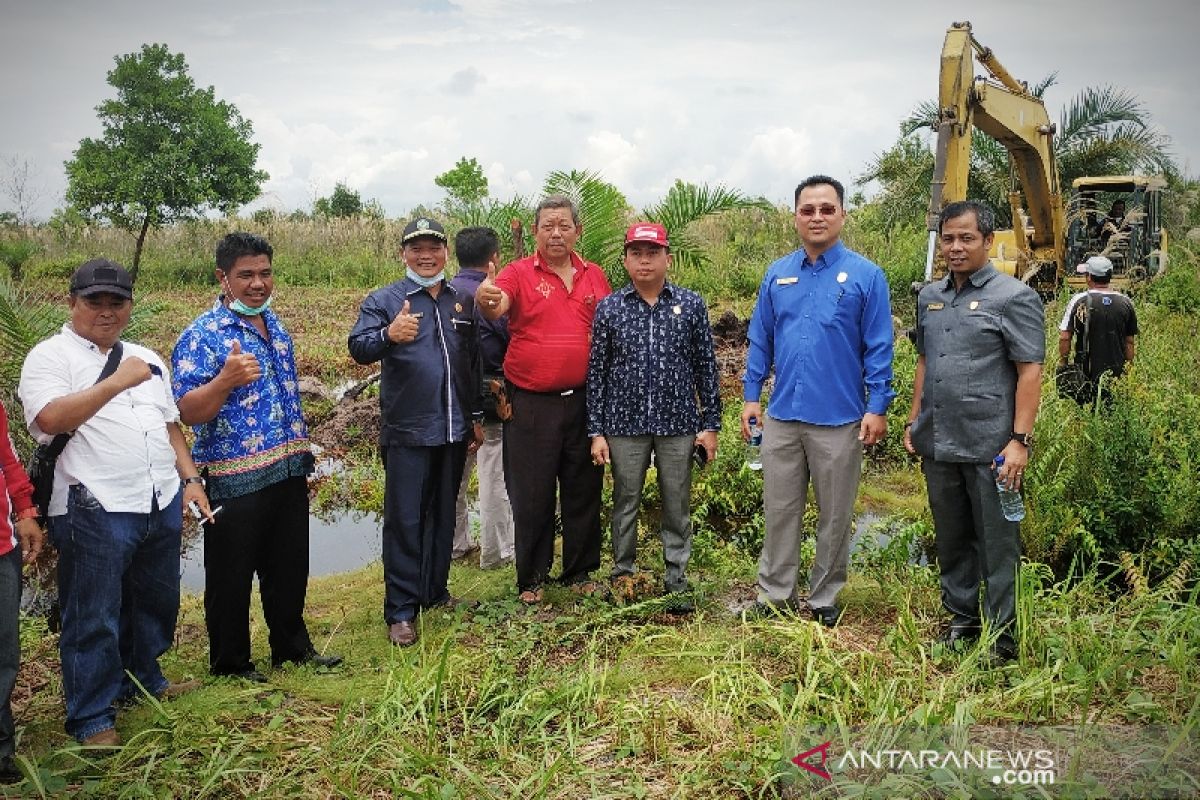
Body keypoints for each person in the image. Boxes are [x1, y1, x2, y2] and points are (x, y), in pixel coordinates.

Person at [18, 259, 211, 746]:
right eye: (94, 301)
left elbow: (169, 424)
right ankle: (91, 717)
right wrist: (116, 382)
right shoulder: (50, 356)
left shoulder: (146, 355)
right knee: (93, 615)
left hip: (158, 498)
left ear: (129, 305)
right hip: (93, 504)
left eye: (116, 301)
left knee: (153, 603)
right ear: (72, 303)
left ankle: (142, 681)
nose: (106, 311)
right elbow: (50, 418)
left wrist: (188, 478)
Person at [172, 232, 341, 681]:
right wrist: (225, 380)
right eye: (245, 275)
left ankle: (291, 647)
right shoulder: (203, 335)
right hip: (233, 477)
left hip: (287, 467)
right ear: (222, 277)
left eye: (264, 273)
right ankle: (231, 663)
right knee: (230, 576)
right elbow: (187, 411)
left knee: (289, 567)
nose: (257, 284)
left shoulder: (275, 325)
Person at [742, 175, 895, 627]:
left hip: (840, 419)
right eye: (808, 210)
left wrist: (878, 404)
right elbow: (760, 338)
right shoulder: (778, 273)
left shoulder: (867, 275)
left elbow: (879, 346)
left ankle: (825, 596)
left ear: (842, 215)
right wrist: (751, 397)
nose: (817, 217)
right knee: (780, 509)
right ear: (795, 217)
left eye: (827, 209)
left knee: (834, 516)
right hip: (782, 417)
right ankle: (775, 592)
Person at [904, 200, 1044, 666]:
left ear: (988, 241)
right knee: (952, 537)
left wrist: (1018, 441)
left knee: (997, 544)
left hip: (992, 446)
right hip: (940, 440)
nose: (956, 247)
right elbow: (926, 361)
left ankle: (1002, 639)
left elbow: (1029, 372)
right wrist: (913, 418)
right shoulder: (930, 296)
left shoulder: (1014, 297)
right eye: (949, 238)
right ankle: (962, 621)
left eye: (967, 238)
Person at [348, 217, 483, 647]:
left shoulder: (461, 300)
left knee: (443, 516)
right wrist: (390, 334)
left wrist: (476, 416)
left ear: (446, 252)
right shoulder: (386, 300)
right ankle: (401, 609)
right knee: (406, 520)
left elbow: (472, 363)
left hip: (452, 428)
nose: (426, 256)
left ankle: (434, 591)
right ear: (404, 254)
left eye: (433, 248)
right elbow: (358, 347)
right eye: (416, 249)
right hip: (408, 430)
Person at [476, 195, 612, 604]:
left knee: (583, 486)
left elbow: (606, 330)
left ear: (577, 231)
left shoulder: (594, 276)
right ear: (534, 232)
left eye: (564, 225)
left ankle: (580, 570)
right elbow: (497, 306)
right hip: (531, 403)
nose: (556, 233)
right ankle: (532, 577)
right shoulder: (517, 273)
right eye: (548, 226)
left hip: (584, 400)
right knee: (531, 492)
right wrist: (488, 299)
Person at [587, 223, 721, 613]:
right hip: (624, 426)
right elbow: (597, 372)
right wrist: (596, 431)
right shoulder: (610, 308)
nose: (644, 260)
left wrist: (709, 425)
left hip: (678, 424)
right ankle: (622, 575)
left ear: (668, 258)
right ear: (626, 260)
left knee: (676, 502)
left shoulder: (691, 305)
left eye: (652, 252)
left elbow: (704, 368)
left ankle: (676, 577)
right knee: (625, 499)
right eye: (636, 253)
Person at [449, 226, 516, 570]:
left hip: (451, 397)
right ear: (494, 258)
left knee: (454, 475)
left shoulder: (444, 294)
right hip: (490, 393)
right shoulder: (494, 296)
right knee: (494, 472)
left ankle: (456, 544)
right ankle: (497, 550)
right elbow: (509, 343)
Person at [0, 400, 43, 781]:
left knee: (3, 651)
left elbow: (9, 460)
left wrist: (26, 511)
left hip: (1, 546)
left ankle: (1, 751)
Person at [1059, 255, 1138, 404]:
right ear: (1109, 276)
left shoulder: (1079, 300)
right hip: (1117, 374)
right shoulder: (1126, 302)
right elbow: (1130, 342)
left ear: (1089, 277)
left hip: (1085, 373)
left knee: (1085, 412)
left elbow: (1065, 336)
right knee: (1114, 412)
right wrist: (1129, 370)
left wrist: (1063, 363)